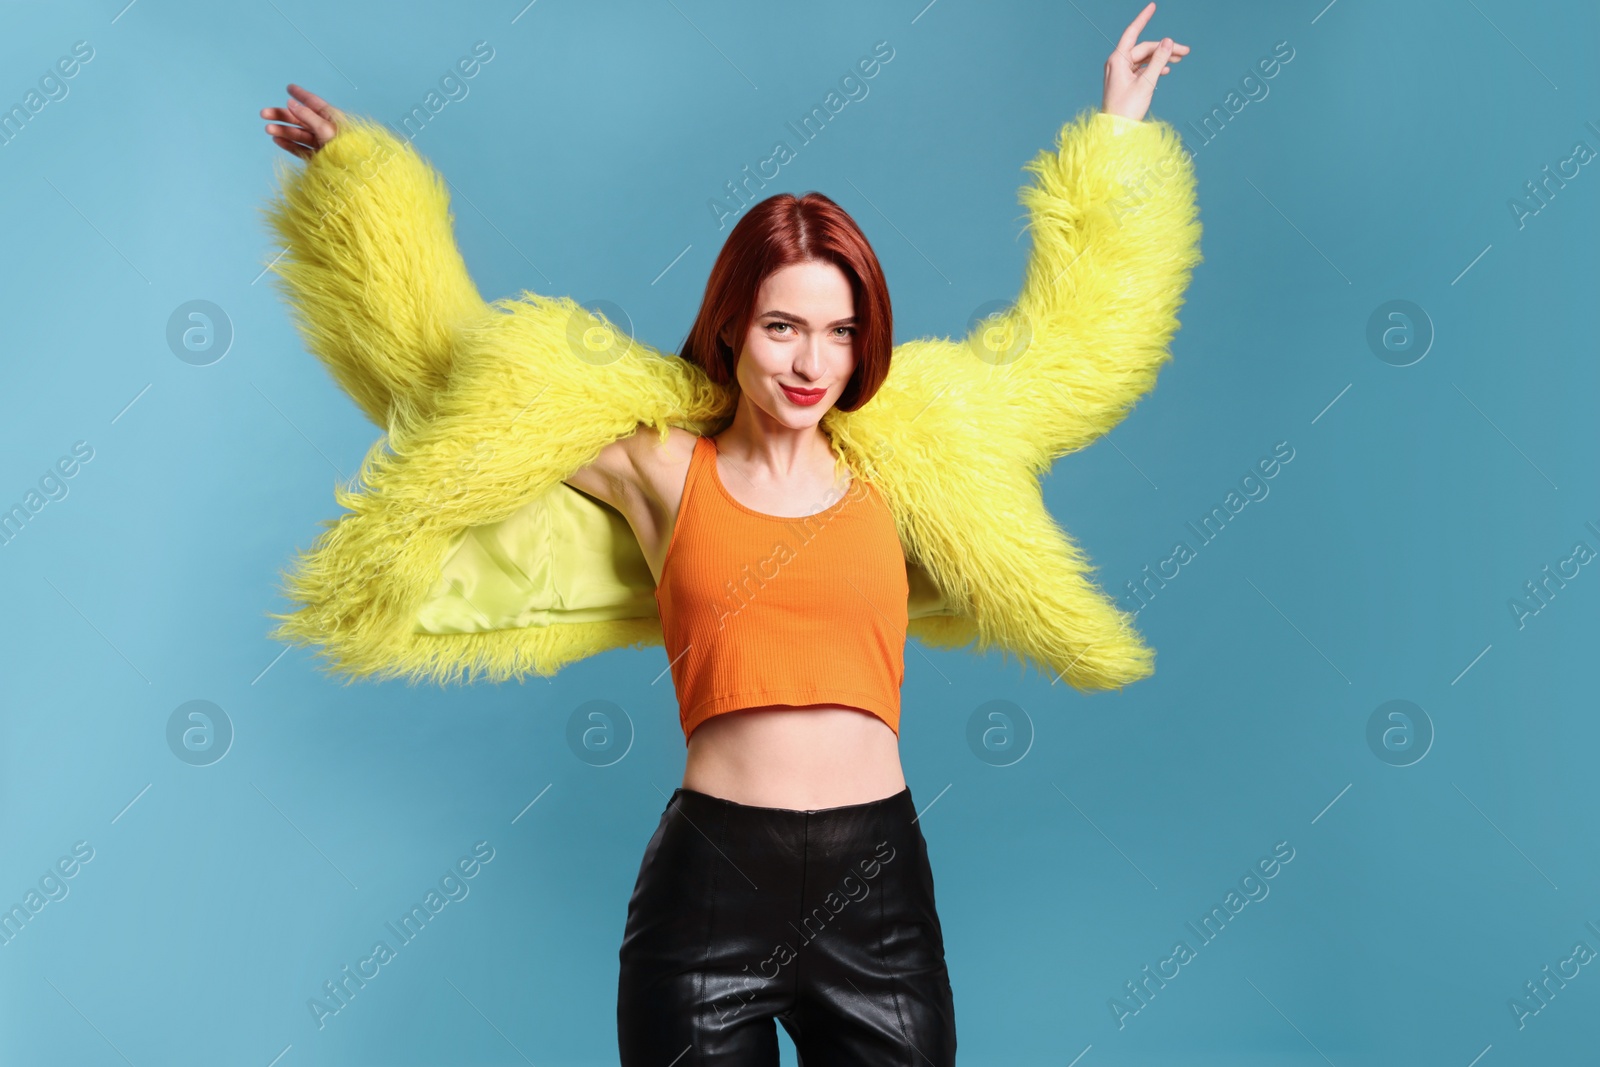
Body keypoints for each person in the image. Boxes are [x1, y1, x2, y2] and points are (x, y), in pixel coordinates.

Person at [261, 5, 1189, 1062]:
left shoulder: (916, 459)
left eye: (840, 332)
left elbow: (1070, 351)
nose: (810, 361)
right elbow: (459, 376)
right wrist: (361, 186)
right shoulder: (659, 466)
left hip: (876, 889)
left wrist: (1117, 131)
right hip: (709, 894)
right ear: (733, 326)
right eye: (783, 325)